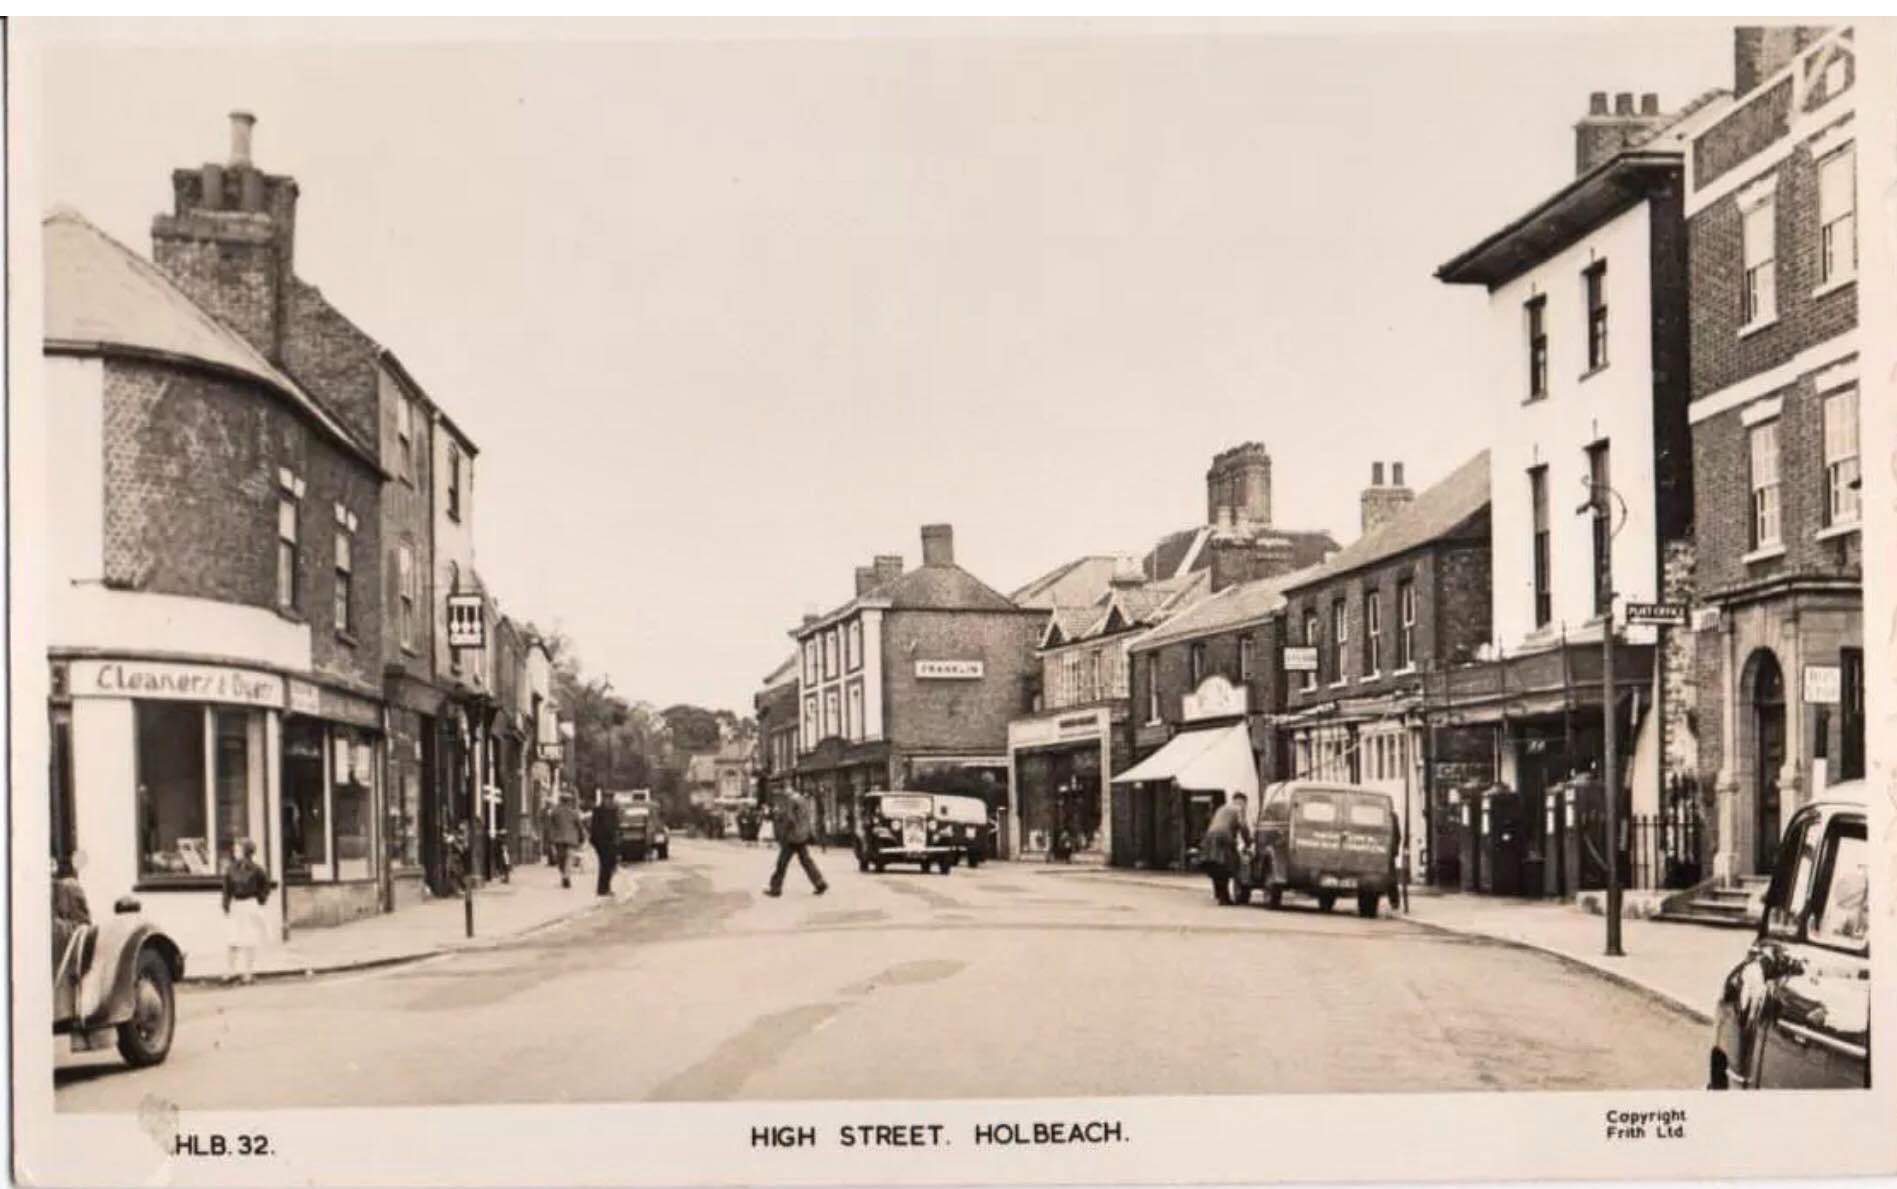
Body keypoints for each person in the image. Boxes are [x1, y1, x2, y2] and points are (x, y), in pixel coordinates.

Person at [221, 839, 272, 985]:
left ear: (246, 851)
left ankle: (248, 972)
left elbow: (265, 886)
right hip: (237, 905)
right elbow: (227, 888)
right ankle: (230, 970)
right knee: (233, 938)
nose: (235, 852)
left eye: (238, 849)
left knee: (249, 939)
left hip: (249, 904)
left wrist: (260, 899)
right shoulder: (231, 869)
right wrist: (226, 904)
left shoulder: (256, 870)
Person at [764, 788, 827, 897]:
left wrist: (783, 832)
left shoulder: (791, 801)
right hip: (802, 836)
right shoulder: (803, 801)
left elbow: (789, 818)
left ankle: (775, 888)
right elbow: (806, 819)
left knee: (782, 863)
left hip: (792, 837)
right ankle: (819, 882)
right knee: (806, 861)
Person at [1200, 792, 1251, 906]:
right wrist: (1249, 841)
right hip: (1224, 835)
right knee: (1228, 865)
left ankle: (1220, 893)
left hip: (1210, 835)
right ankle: (1224, 897)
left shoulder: (1222, 808)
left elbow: (1213, 822)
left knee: (1215, 865)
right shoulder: (1238, 809)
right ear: (1242, 801)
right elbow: (1243, 826)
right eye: (1245, 804)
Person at [548, 793, 584, 889]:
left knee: (561, 860)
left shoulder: (554, 812)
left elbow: (551, 826)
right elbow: (580, 826)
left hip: (559, 840)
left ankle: (565, 876)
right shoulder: (574, 813)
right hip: (571, 840)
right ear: (569, 801)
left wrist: (551, 838)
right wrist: (582, 837)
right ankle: (566, 876)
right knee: (569, 859)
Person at [588, 790, 619, 897]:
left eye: (611, 798)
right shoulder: (598, 811)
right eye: (607, 798)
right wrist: (595, 841)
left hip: (612, 842)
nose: (609, 800)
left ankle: (606, 887)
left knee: (611, 865)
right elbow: (594, 827)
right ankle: (603, 889)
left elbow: (616, 826)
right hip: (601, 842)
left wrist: (617, 837)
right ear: (604, 799)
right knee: (605, 865)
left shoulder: (614, 810)